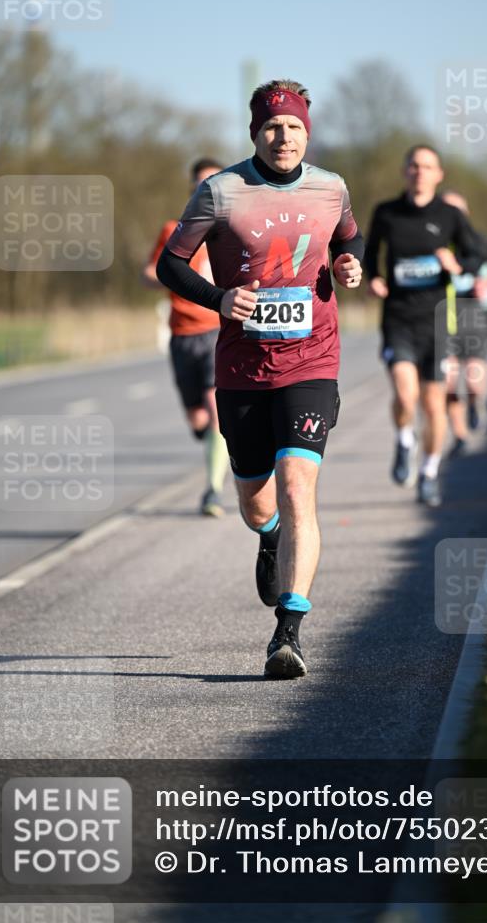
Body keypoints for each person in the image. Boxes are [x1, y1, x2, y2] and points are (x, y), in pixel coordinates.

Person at [156, 79, 363, 679]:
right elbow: (171, 263)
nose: (283, 136)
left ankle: (289, 632)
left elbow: (349, 240)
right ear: (255, 133)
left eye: (294, 126)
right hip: (243, 367)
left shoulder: (331, 188)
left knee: (298, 486)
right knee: (255, 502)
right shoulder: (220, 191)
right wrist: (219, 299)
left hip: (312, 360)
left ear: (307, 133)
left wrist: (349, 264)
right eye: (272, 126)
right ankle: (269, 537)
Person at [364, 146, 487, 507]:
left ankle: (429, 472)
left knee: (434, 404)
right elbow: (370, 254)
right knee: (406, 395)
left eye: (427, 166)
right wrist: (374, 279)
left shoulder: (450, 215)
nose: (420, 172)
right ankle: (405, 439)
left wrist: (457, 265)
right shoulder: (386, 212)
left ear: (439, 174)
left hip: (436, 322)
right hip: (398, 318)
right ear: (405, 171)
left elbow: (478, 254)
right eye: (414, 166)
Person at [142, 159, 229, 518]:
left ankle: (213, 491)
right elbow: (150, 272)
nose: (204, 188)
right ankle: (212, 438)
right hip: (181, 335)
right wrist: (162, 275)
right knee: (198, 420)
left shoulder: (230, 230)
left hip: (216, 331)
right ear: (192, 188)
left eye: (212, 181)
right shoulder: (173, 230)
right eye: (199, 183)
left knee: (215, 407)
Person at [440, 191, 487, 453]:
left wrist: (485, 282)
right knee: (448, 380)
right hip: (441, 313)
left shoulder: (479, 239)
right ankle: (460, 434)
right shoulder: (432, 240)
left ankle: (476, 402)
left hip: (472, 311)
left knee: (473, 376)